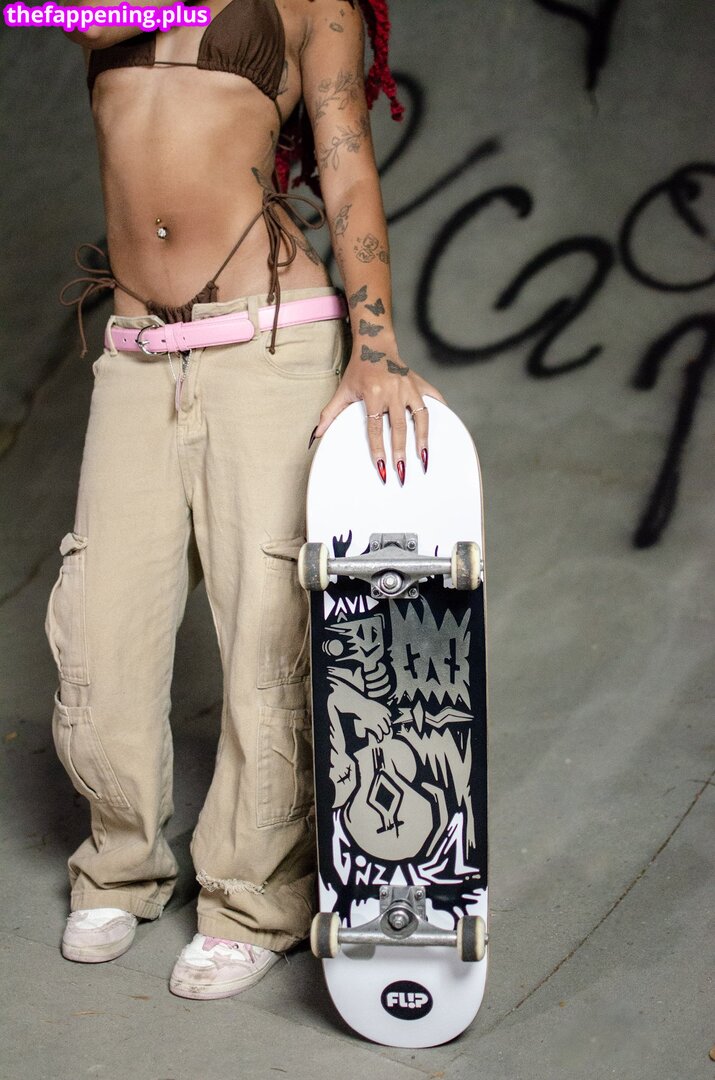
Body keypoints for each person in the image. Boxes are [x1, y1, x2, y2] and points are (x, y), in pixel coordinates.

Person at [46, 0, 444, 1000]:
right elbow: (55, 13)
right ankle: (120, 864)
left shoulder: (316, 6)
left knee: (267, 637)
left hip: (269, 340)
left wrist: (376, 348)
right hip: (136, 354)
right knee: (99, 629)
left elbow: (347, 165)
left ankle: (252, 898)